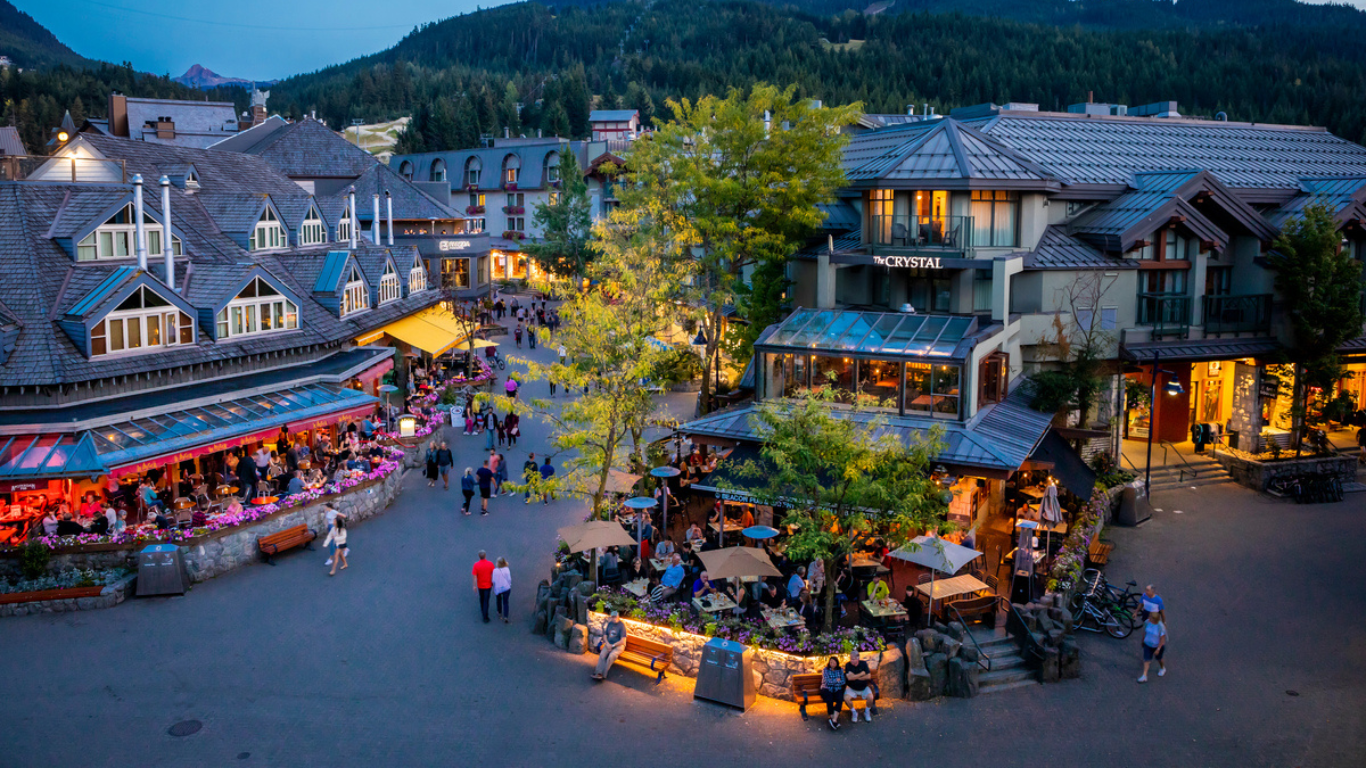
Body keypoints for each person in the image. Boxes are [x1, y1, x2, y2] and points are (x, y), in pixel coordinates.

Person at [592, 611, 628, 680]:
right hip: (609, 643)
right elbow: (605, 635)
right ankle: (598, 672)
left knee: (611, 656)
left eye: (615, 617)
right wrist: (608, 644)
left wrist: (613, 646)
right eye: (613, 617)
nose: (614, 618)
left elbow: (622, 641)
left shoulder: (621, 626)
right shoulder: (610, 624)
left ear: (618, 617)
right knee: (602, 655)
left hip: (619, 645)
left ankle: (603, 674)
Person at [843, 649, 876, 721]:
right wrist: (861, 674)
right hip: (851, 688)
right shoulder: (848, 665)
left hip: (863, 687)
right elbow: (849, 678)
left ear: (858, 658)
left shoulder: (863, 664)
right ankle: (854, 712)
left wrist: (854, 676)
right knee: (846, 699)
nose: (851, 660)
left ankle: (867, 712)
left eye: (853, 659)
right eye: (851, 659)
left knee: (870, 698)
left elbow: (869, 676)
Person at [1138, 611, 1168, 683]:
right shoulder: (1147, 622)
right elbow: (1145, 632)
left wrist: (1158, 649)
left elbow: (1162, 639)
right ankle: (1144, 675)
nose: (1149, 618)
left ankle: (1162, 668)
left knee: (1159, 658)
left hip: (1156, 646)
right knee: (1146, 659)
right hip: (1147, 645)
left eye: (1150, 617)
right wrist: (1142, 641)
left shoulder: (1160, 627)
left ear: (1155, 619)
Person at [819, 656, 846, 730]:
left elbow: (843, 681)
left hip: (837, 689)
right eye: (831, 662)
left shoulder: (840, 670)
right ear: (829, 663)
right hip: (826, 688)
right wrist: (837, 680)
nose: (832, 664)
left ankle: (834, 719)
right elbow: (827, 682)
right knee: (829, 699)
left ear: (837, 663)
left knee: (840, 699)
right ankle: (833, 718)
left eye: (834, 662)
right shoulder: (825, 670)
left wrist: (833, 681)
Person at [472, 550, 495, 623]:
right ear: (485, 556)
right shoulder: (490, 564)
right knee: (486, 600)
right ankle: (485, 616)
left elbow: (475, 576)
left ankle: (482, 609)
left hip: (480, 585)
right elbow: (493, 574)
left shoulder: (476, 565)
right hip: (488, 585)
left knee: (481, 598)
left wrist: (474, 586)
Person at [492, 557, 513, 623]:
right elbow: (509, 579)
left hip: (498, 588)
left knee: (498, 600)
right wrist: (509, 585)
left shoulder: (495, 571)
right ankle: (506, 616)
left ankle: (499, 612)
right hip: (506, 588)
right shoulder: (507, 569)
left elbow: (493, 580)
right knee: (506, 602)